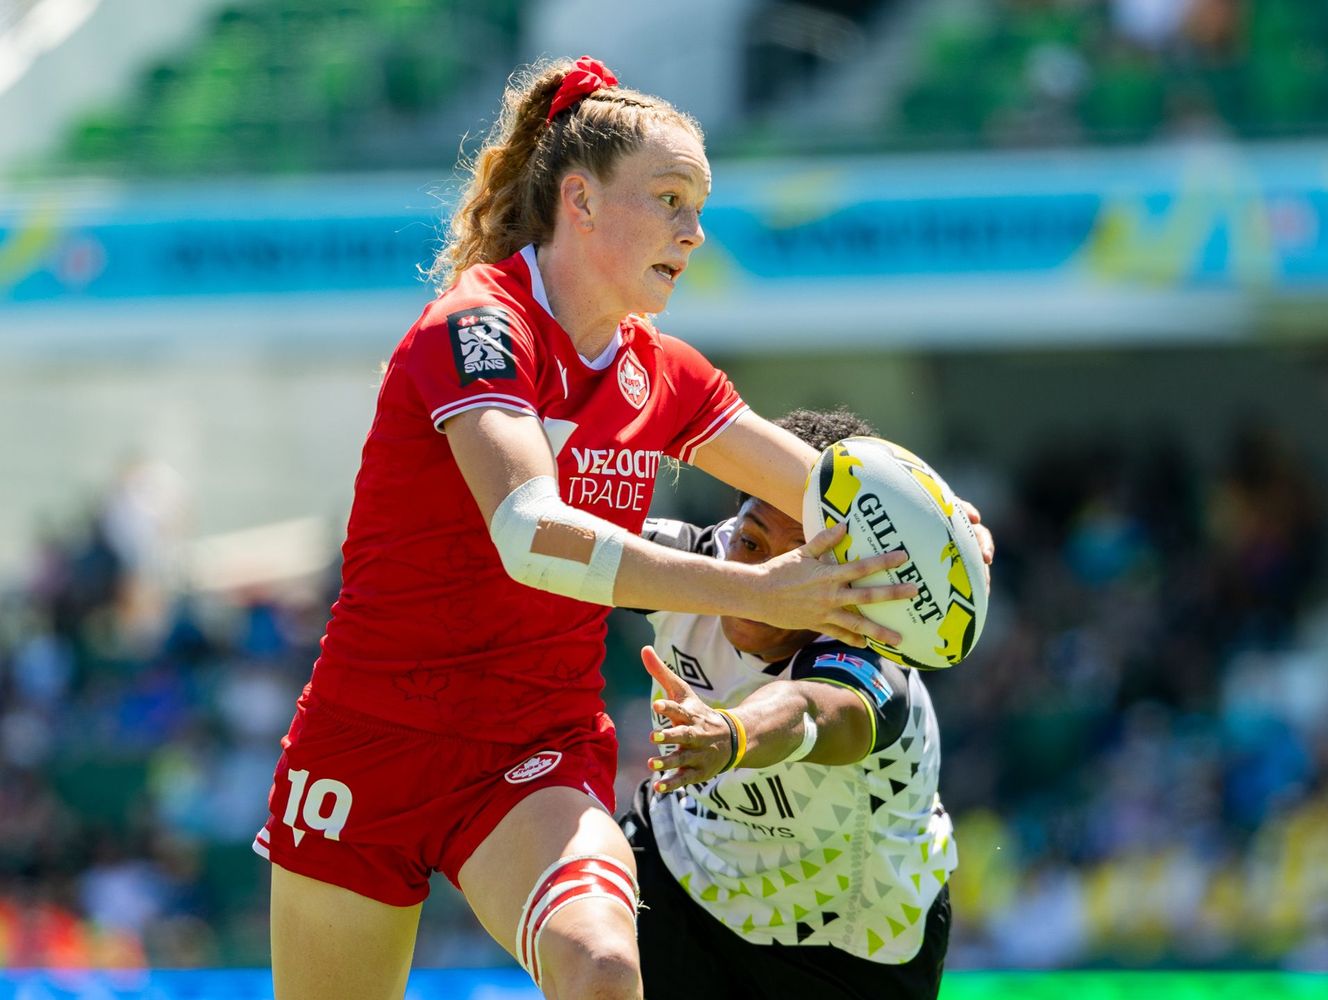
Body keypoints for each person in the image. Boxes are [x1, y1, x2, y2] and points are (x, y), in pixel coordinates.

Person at [253, 57, 986, 1000]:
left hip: (532, 753)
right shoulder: (477, 326)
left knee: (600, 963)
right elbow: (529, 533)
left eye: (700, 205)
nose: (695, 229)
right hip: (369, 740)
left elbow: (824, 486)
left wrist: (950, 531)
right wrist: (755, 591)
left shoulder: (665, 373)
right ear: (581, 201)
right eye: (671, 198)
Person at [620, 407, 956, 1000]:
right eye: (751, 543)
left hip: (849, 941)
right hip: (682, 873)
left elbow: (810, 709)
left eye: (802, 562)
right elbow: (561, 551)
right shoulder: (689, 561)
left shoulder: (874, 658)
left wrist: (731, 735)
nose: (764, 578)